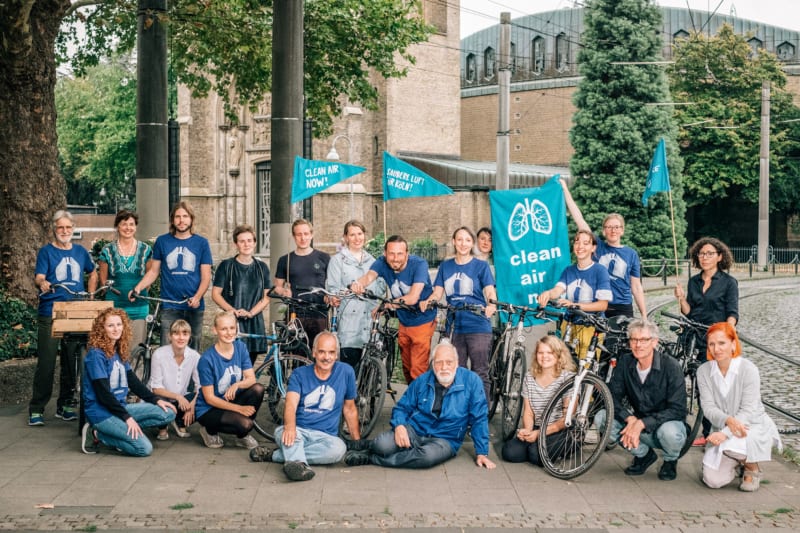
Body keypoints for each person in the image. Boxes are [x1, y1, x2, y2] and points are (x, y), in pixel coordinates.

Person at [343, 342, 496, 470]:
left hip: (445, 439)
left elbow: (479, 418)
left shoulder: (472, 381)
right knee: (382, 445)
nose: (444, 367)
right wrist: (400, 426)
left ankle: (371, 458)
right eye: (439, 362)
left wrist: (482, 452)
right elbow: (401, 408)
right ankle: (370, 445)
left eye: (449, 362)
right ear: (433, 364)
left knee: (425, 458)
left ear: (457, 363)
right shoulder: (422, 380)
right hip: (415, 430)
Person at [249, 331, 360, 482]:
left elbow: (350, 409)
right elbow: (291, 404)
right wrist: (289, 427)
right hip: (297, 431)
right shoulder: (299, 374)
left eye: (331, 353)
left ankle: (278, 456)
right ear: (314, 352)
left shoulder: (346, 372)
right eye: (321, 352)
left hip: (325, 437)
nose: (326, 357)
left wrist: (357, 443)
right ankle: (298, 465)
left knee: (339, 449)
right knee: (286, 436)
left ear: (336, 355)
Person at [29, 210, 98, 426]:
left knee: (72, 362)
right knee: (47, 363)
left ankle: (66, 405)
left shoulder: (80, 251)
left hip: (75, 311)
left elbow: (93, 272)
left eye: (68, 227)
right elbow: (39, 276)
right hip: (51, 311)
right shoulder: (46, 252)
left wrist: (91, 294)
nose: (65, 231)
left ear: (73, 229)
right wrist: (43, 283)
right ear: (54, 229)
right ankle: (37, 408)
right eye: (61, 227)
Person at [596, 319, 687, 481]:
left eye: (644, 340)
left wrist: (643, 423)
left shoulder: (671, 366)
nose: (638, 345)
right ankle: (643, 455)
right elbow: (612, 396)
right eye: (634, 339)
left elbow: (677, 409)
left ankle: (670, 460)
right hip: (638, 424)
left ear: (654, 342)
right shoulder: (625, 362)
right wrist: (629, 418)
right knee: (602, 417)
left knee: (670, 432)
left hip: (666, 424)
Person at [697, 323, 781, 492]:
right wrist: (727, 421)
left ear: (733, 344)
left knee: (731, 443)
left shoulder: (749, 369)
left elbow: (747, 411)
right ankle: (737, 461)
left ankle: (751, 467)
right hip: (723, 428)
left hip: (751, 426)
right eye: (712, 344)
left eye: (722, 343)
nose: (716, 349)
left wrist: (724, 433)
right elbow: (708, 407)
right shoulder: (703, 371)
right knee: (713, 480)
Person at [81, 307, 177, 456]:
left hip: (120, 407)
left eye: (119, 324)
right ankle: (97, 434)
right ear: (102, 329)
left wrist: (155, 400)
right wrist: (127, 418)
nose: (116, 329)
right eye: (110, 325)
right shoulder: (96, 355)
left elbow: (133, 382)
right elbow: (103, 393)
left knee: (167, 413)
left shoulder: (118, 350)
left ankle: (121, 431)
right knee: (143, 448)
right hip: (101, 413)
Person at [674, 236, 739, 446]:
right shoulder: (694, 281)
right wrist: (681, 299)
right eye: (701, 254)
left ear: (720, 257)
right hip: (694, 336)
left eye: (710, 253)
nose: (705, 257)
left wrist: (726, 336)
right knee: (699, 384)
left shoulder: (729, 282)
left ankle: (715, 430)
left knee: (717, 386)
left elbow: (732, 312)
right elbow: (689, 312)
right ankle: (703, 430)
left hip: (716, 339)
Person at [421, 227, 497, 399]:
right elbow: (437, 293)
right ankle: (459, 412)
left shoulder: (481, 266)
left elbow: (490, 292)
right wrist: (429, 300)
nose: (463, 244)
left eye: (468, 240)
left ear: (472, 243)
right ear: (454, 242)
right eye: (460, 240)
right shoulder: (445, 266)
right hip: (454, 325)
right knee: (456, 371)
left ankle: (480, 413)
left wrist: (491, 304)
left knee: (480, 371)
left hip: (477, 324)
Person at [350, 235, 437, 383]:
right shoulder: (382, 263)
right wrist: (357, 284)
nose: (395, 258)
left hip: (423, 319)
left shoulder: (419, 264)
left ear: (407, 254)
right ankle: (413, 398)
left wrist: (387, 305)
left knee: (418, 368)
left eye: (400, 254)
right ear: (385, 253)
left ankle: (421, 404)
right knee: (407, 368)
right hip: (404, 320)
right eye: (391, 253)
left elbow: (413, 298)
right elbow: (369, 277)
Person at [131, 201, 212, 351]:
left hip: (193, 306)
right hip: (169, 305)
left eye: (185, 216)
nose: (181, 220)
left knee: (192, 352)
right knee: (166, 350)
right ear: (172, 220)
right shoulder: (163, 241)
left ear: (191, 219)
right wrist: (138, 288)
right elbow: (154, 271)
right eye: (177, 217)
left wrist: (198, 297)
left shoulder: (202, 243)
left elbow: (206, 276)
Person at [560, 180, 646, 318]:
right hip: (597, 305)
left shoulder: (631, 254)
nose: (613, 230)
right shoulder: (597, 247)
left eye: (617, 227)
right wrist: (565, 189)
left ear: (622, 231)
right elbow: (579, 219)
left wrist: (644, 315)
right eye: (609, 227)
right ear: (604, 231)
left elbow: (636, 287)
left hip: (622, 307)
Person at [501, 335, 577, 466]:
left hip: (559, 428)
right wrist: (528, 430)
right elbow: (528, 412)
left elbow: (566, 419)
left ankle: (570, 445)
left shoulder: (568, 379)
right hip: (538, 426)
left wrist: (539, 434)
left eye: (549, 353)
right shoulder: (530, 377)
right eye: (540, 352)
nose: (544, 356)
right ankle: (537, 446)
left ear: (559, 355)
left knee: (536, 455)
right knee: (509, 452)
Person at [536, 230, 612, 358]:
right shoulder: (568, 270)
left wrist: (575, 305)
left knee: (584, 369)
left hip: (590, 326)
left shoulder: (600, 271)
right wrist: (548, 294)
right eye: (577, 242)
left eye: (586, 243)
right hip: (569, 324)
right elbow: (557, 290)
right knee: (565, 364)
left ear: (593, 248)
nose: (580, 246)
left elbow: (602, 305)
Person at [195, 311, 263, 450]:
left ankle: (241, 436)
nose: (229, 333)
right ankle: (209, 431)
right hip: (209, 409)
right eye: (224, 329)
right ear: (215, 330)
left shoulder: (241, 347)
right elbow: (210, 399)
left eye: (232, 328)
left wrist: (237, 384)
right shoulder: (206, 359)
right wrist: (239, 409)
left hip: (229, 400)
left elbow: (251, 379)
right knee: (246, 424)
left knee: (258, 389)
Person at [325, 220, 386, 369]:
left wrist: (369, 291)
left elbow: (381, 287)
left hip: (369, 323)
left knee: (369, 371)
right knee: (349, 368)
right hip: (349, 324)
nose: (357, 238)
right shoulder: (337, 261)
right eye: (352, 235)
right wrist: (341, 294)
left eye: (360, 234)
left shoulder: (374, 262)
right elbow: (333, 288)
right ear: (346, 237)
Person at [211, 224, 272, 365]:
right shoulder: (226, 266)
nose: (246, 244)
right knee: (233, 363)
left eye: (250, 240)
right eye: (242, 241)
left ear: (255, 243)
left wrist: (251, 313)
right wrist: (232, 311)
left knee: (249, 364)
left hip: (254, 321)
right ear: (235, 244)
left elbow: (267, 296)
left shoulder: (261, 267)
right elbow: (216, 294)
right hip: (232, 321)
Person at [98, 209, 154, 353]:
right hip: (115, 308)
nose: (128, 228)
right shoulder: (107, 250)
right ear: (118, 226)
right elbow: (103, 280)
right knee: (113, 349)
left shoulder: (146, 250)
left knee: (136, 350)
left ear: (136, 227)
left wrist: (140, 290)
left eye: (131, 224)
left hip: (139, 307)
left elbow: (150, 275)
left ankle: (134, 376)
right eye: (124, 224)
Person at [273, 219, 330, 346]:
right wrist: (283, 291)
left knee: (319, 350)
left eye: (306, 233)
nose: (303, 238)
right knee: (296, 352)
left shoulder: (324, 258)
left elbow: (331, 284)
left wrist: (329, 295)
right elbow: (277, 286)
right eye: (299, 234)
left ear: (311, 234)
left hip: (319, 313)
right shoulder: (285, 260)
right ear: (294, 236)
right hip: (295, 313)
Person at [149, 319, 201, 440]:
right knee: (159, 402)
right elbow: (156, 388)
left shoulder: (195, 356)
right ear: (170, 336)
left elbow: (200, 386)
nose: (181, 337)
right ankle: (163, 427)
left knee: (203, 399)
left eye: (185, 333)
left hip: (181, 400)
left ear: (189, 337)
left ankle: (179, 421)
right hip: (161, 397)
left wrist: (192, 406)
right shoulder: (159, 354)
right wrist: (178, 397)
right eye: (176, 333)